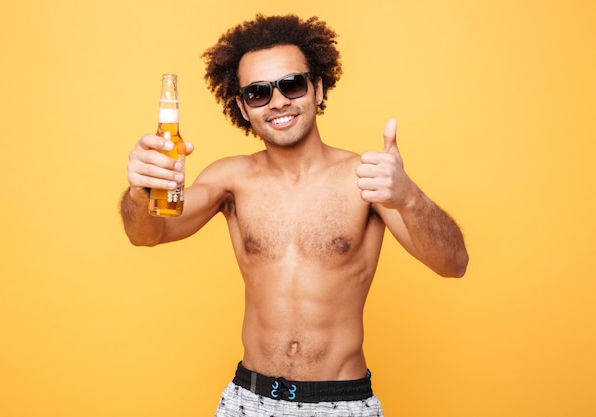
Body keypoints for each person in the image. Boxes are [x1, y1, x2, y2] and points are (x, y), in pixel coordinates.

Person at [120, 14, 468, 417]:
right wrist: (138, 191)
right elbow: (147, 233)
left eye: (292, 84)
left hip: (341, 402)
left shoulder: (366, 179)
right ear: (242, 106)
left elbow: (453, 264)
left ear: (317, 88)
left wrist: (409, 197)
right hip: (248, 401)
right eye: (258, 93)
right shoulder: (231, 179)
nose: (278, 102)